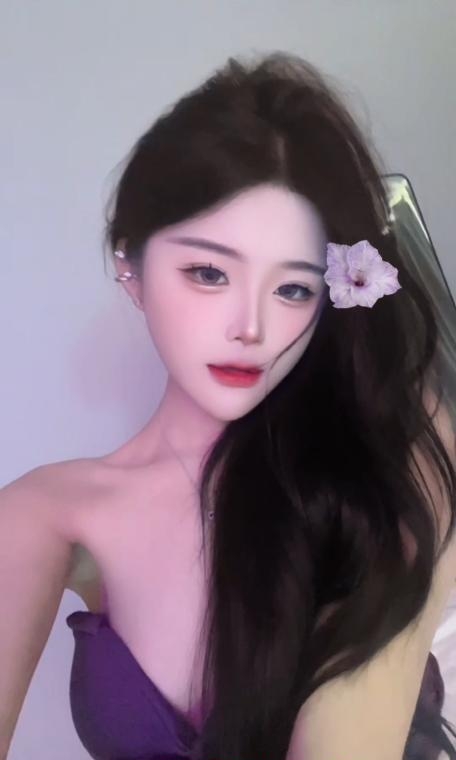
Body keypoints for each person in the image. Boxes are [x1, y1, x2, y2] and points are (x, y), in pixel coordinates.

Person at [1, 51, 456, 760]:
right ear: (131, 264)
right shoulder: (45, 512)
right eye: (209, 272)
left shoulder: (384, 460)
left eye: (294, 288)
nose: (252, 327)